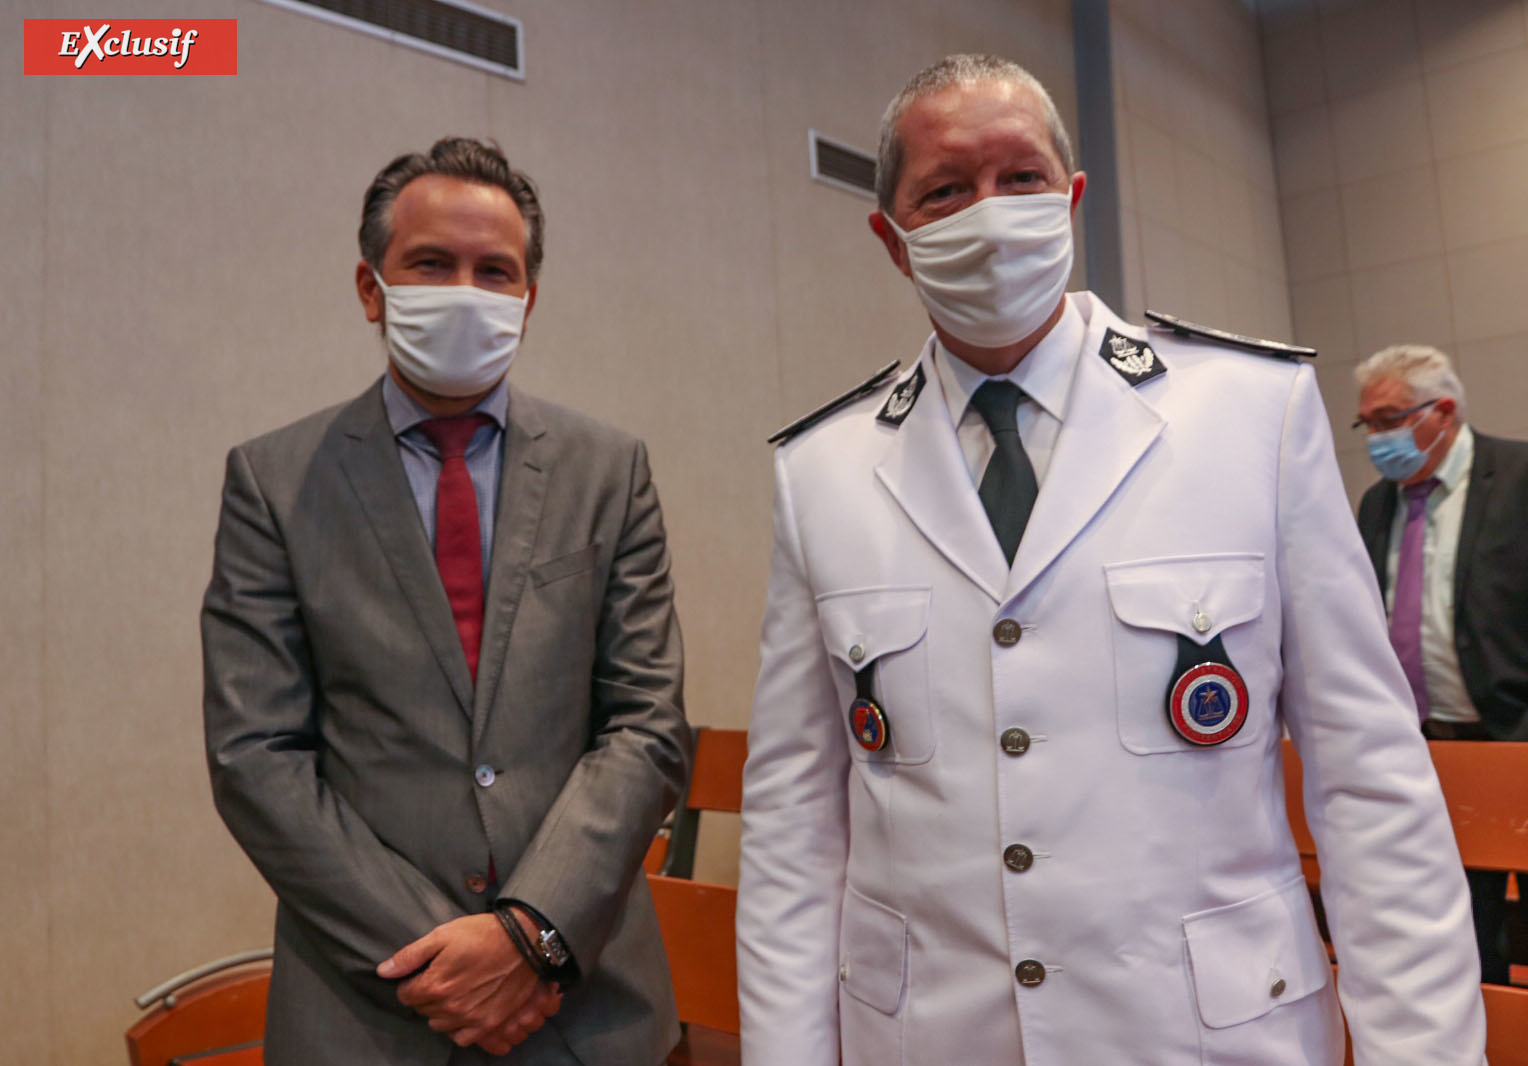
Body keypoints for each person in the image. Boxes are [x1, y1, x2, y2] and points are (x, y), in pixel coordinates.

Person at [737, 54, 1485, 1066]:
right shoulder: (821, 470)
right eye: (946, 191)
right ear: (892, 237)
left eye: (1021, 178)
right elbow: (793, 824)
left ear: (1073, 198)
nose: (989, 215)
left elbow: (1367, 779)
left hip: (1206, 1034)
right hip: (932, 1038)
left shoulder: (1247, 413)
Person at [202, 137, 690, 1066]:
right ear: (370, 286)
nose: (465, 290)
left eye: (494, 271)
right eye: (431, 263)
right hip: (370, 1008)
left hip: (583, 1003)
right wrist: (448, 963)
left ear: (528, 300)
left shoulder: (608, 471)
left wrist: (530, 936)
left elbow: (647, 725)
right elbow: (255, 755)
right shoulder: (274, 482)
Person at [1354, 343, 1528, 983]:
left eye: (1389, 418)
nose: (1377, 437)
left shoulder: (1517, 476)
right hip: (1433, 755)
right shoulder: (1379, 504)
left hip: (1518, 742)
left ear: (1443, 410)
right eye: (1368, 424)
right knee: (1463, 934)